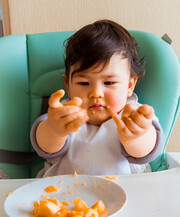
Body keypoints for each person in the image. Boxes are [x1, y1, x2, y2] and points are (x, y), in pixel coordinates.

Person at [31, 19, 164, 177]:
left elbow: (146, 152)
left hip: (126, 195)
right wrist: (55, 130)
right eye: (84, 82)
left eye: (109, 82)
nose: (96, 93)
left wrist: (137, 136)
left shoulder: (134, 116)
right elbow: (45, 147)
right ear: (68, 84)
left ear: (129, 85)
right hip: (63, 196)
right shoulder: (64, 115)